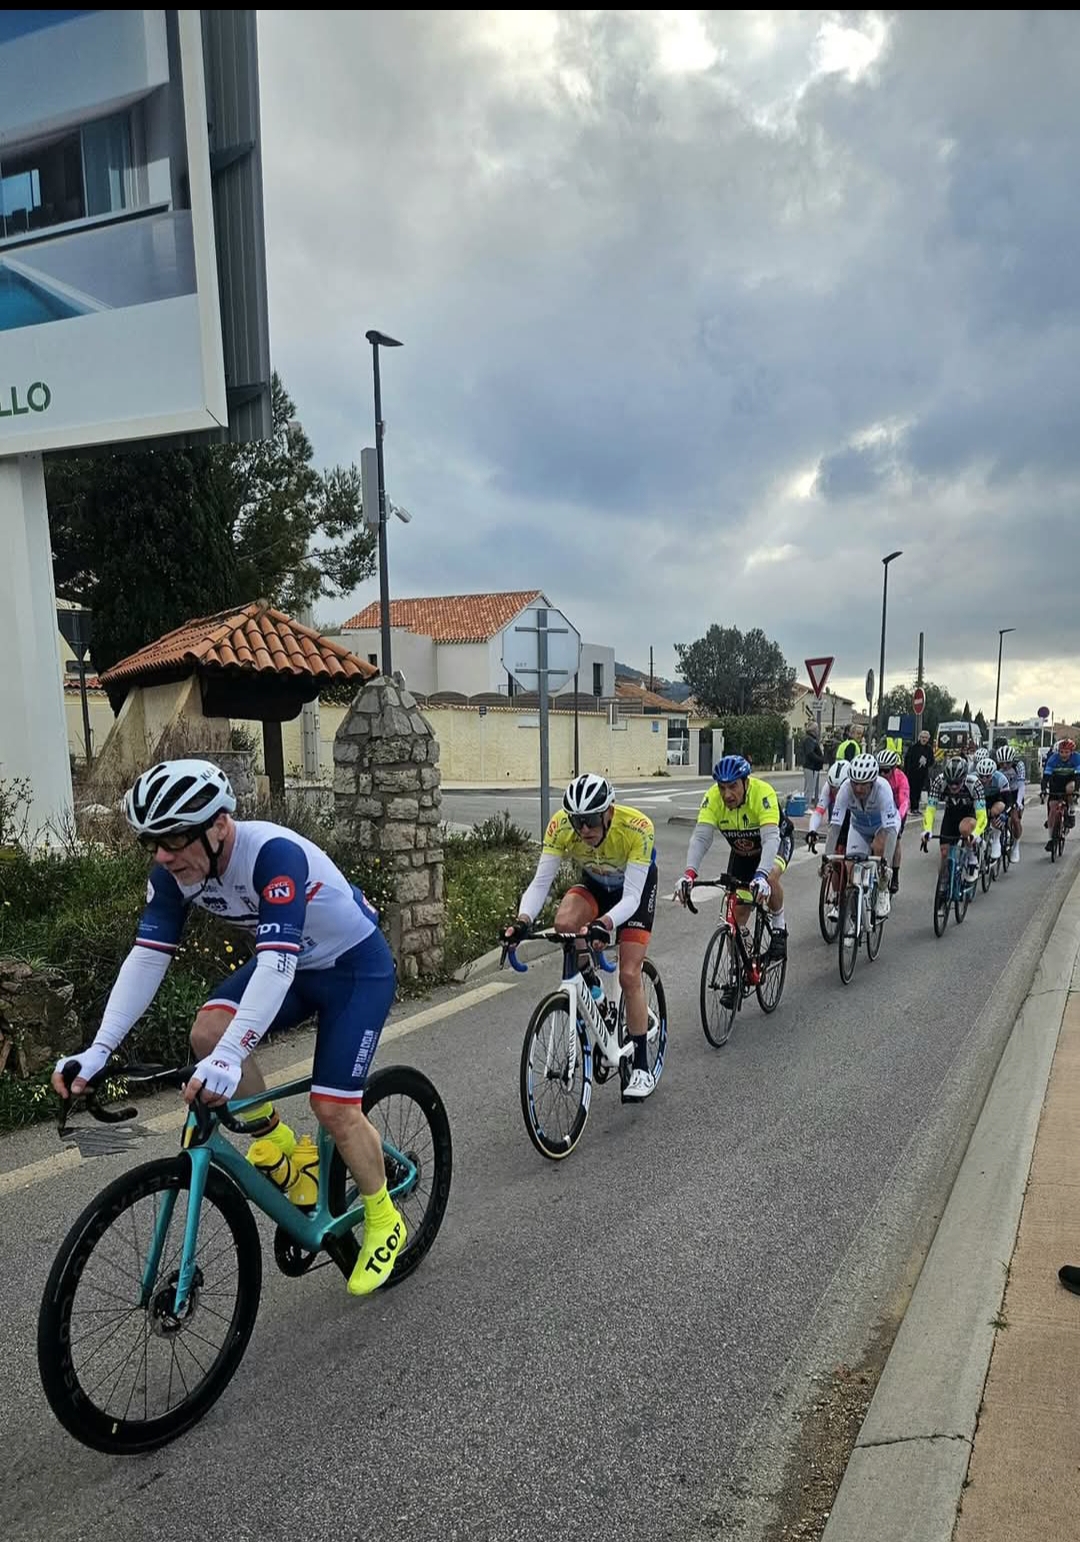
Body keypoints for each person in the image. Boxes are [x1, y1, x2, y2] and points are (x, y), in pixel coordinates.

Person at [52, 758, 402, 1298]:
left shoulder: (272, 854)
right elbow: (147, 958)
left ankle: (383, 1216)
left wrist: (232, 1058)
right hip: (288, 966)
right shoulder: (175, 874)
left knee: (333, 1107)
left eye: (174, 839)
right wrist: (99, 1050)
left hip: (353, 968)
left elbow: (276, 965)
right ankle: (279, 1148)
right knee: (207, 1033)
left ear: (219, 825)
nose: (164, 856)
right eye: (152, 843)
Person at [504, 773, 659, 1102]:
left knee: (629, 973)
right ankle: (594, 990)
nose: (583, 830)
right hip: (594, 884)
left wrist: (604, 923)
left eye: (590, 821)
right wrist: (522, 921)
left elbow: (631, 899)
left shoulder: (637, 827)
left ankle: (643, 1066)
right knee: (565, 922)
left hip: (633, 890)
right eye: (577, 821)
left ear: (608, 813)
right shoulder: (561, 827)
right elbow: (540, 882)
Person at [675, 753, 795, 963]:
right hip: (742, 852)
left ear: (746, 783)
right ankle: (737, 975)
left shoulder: (762, 793)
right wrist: (689, 874)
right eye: (722, 787)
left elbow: (770, 838)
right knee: (736, 920)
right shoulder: (712, 798)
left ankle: (779, 927)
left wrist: (761, 875)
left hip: (775, 843)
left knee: (770, 877)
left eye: (733, 786)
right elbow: (701, 837)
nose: (727, 794)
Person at [824, 752, 901, 919]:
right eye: (855, 783)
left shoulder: (883, 789)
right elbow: (835, 827)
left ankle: (882, 892)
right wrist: (826, 858)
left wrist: (886, 865)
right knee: (851, 870)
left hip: (882, 826)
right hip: (858, 827)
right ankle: (851, 921)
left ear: (872, 782)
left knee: (879, 848)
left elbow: (891, 831)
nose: (858, 789)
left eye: (863, 784)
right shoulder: (845, 789)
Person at [920, 755, 987, 877]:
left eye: (957, 783)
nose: (954, 786)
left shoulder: (974, 784)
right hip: (951, 814)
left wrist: (976, 834)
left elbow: (982, 816)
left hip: (969, 813)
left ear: (964, 778)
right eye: (950, 783)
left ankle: (972, 858)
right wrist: (927, 830)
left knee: (965, 829)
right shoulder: (939, 782)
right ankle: (944, 885)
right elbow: (930, 810)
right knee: (944, 852)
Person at [875, 749, 910, 894]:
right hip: (878, 809)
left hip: (896, 810)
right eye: (880, 770)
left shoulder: (901, 778)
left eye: (886, 770)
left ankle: (894, 875)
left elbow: (904, 802)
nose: (882, 774)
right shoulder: (875, 777)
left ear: (894, 769)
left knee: (894, 841)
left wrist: (898, 818)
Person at [1041, 738, 1080, 850]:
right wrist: (1043, 790)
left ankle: (1071, 808)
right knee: (1053, 808)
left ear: (1071, 752)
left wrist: (1076, 791)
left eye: (1067, 752)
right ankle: (1051, 839)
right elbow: (1046, 777)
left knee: (1070, 789)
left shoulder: (1077, 758)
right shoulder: (1053, 759)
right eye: (1061, 752)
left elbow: (1078, 777)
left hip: (1070, 780)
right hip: (1056, 782)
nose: (1064, 755)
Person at [973, 753, 1012, 864]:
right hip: (979, 801)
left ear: (993, 774)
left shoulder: (1001, 779)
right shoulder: (972, 778)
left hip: (995, 800)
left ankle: (996, 840)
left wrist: (1004, 814)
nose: (984, 779)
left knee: (996, 812)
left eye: (988, 776)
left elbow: (1008, 802)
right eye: (981, 776)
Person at [996, 744, 1027, 863]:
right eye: (1002, 763)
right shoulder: (996, 767)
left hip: (1015, 793)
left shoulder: (1019, 765)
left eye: (1007, 763)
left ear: (1012, 760)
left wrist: (1019, 802)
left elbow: (1021, 785)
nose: (1004, 766)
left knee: (1015, 819)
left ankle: (1016, 846)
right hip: (1002, 793)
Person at [904, 729, 935, 815]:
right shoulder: (913, 748)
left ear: (928, 739)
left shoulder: (929, 749)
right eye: (922, 737)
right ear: (919, 738)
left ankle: (916, 808)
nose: (924, 739)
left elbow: (932, 761)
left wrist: (926, 762)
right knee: (912, 791)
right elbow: (908, 760)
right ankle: (912, 808)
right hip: (912, 773)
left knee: (918, 791)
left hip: (922, 774)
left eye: (925, 738)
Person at [801, 723, 825, 806]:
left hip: (812, 767)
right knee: (809, 788)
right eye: (817, 729)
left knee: (809, 787)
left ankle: (806, 805)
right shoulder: (809, 740)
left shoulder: (811, 739)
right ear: (813, 730)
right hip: (811, 767)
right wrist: (820, 759)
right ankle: (806, 806)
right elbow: (810, 753)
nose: (818, 731)